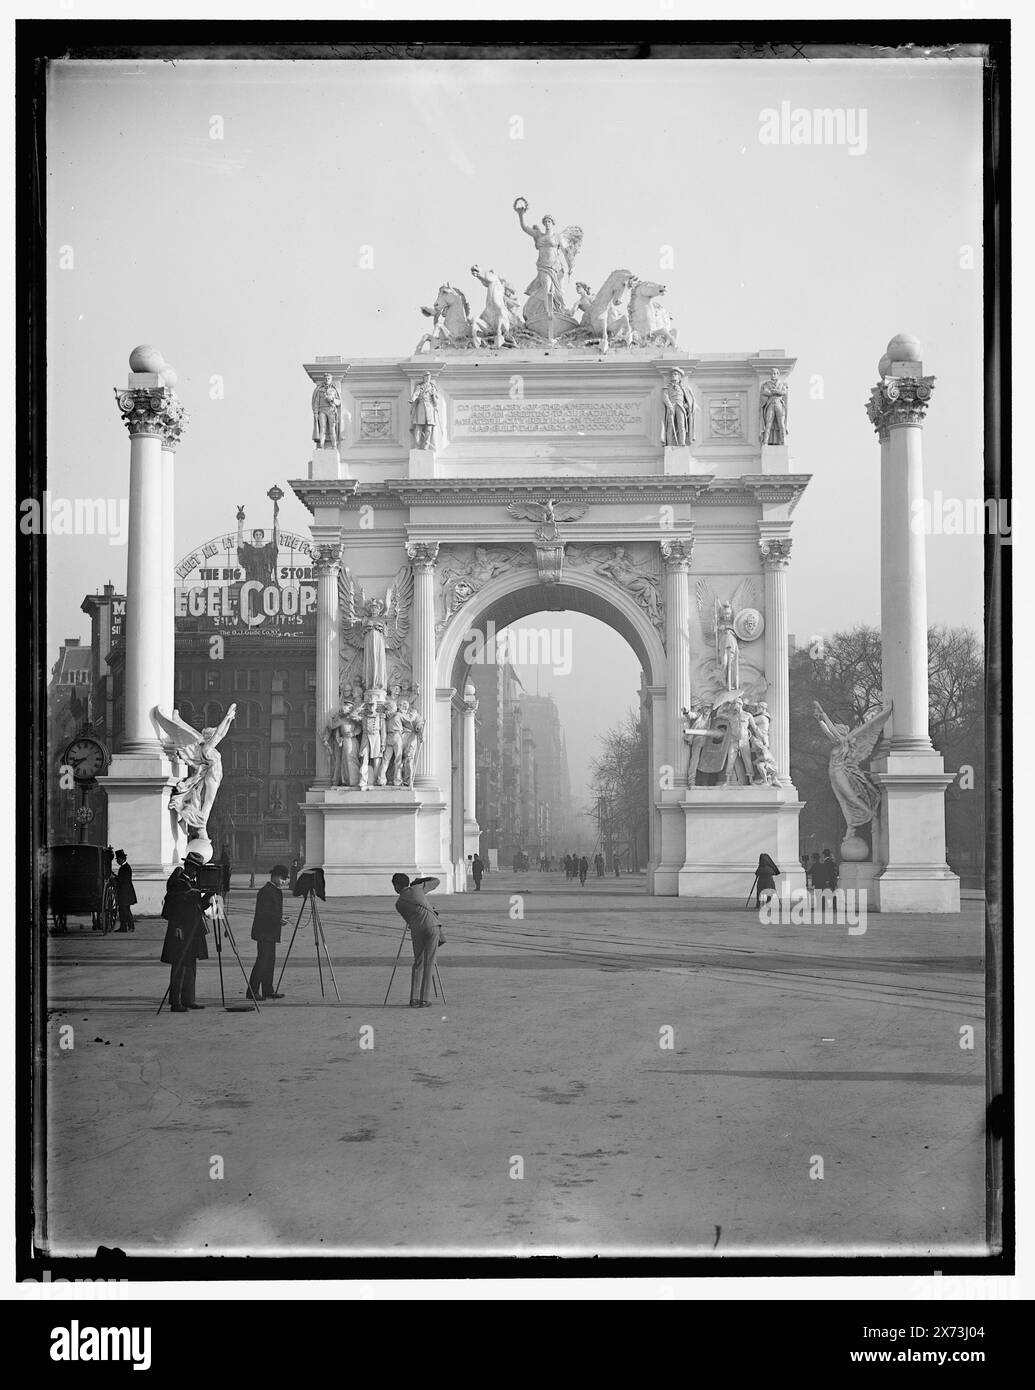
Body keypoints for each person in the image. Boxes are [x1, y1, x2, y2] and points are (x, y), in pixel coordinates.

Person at [160, 851, 213, 1013]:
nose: (196, 872)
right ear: (188, 867)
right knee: (180, 965)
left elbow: (199, 906)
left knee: (190, 964)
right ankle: (176, 1002)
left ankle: (189, 999)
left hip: (194, 928)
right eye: (195, 868)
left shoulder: (193, 883)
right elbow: (174, 908)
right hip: (181, 929)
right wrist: (177, 927)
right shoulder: (178, 883)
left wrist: (210, 894)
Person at [392, 873, 443, 1008]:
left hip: (417, 930)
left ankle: (414, 999)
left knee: (418, 963)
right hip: (432, 927)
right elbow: (436, 881)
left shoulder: (399, 904)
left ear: (396, 886)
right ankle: (424, 999)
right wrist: (421, 881)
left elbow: (409, 920)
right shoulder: (418, 889)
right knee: (429, 963)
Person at [247, 864, 290, 1002]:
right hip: (264, 931)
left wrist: (279, 920)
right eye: (283, 879)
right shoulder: (266, 891)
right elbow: (264, 913)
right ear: (276, 876)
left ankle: (268, 989)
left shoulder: (275, 890)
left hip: (271, 932)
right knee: (262, 961)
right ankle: (252, 991)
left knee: (270, 961)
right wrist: (278, 920)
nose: (285, 882)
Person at [114, 850, 136, 933]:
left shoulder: (125, 868)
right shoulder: (125, 867)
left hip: (125, 893)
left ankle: (130, 927)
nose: (117, 861)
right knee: (124, 910)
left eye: (118, 859)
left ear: (122, 859)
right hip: (125, 892)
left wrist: (115, 877)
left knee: (125, 910)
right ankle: (124, 927)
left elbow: (122, 880)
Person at [811, 849, 839, 915]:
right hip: (831, 880)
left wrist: (827, 880)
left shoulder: (827, 862)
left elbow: (827, 872)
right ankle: (832, 906)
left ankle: (829, 906)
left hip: (829, 880)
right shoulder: (831, 861)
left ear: (824, 854)